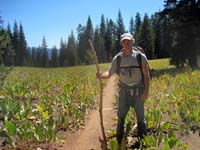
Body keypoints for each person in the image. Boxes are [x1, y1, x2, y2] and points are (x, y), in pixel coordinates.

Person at [96, 33, 150, 149]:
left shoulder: (140, 57)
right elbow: (109, 73)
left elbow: (146, 75)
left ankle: (143, 142)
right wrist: (101, 75)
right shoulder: (118, 58)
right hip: (124, 92)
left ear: (132, 42)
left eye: (128, 41)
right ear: (121, 43)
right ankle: (120, 141)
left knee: (141, 117)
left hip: (138, 92)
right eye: (124, 41)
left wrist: (146, 92)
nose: (126, 43)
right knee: (120, 117)